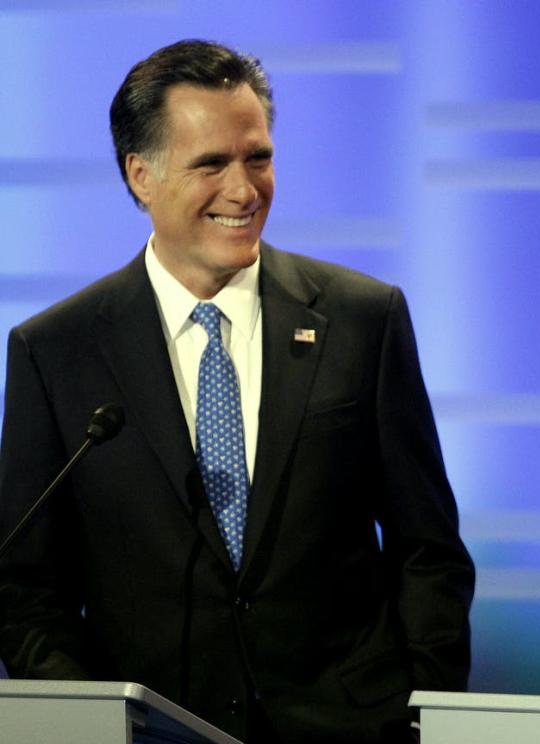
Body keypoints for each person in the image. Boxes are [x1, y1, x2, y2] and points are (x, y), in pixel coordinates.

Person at [0, 40, 474, 743]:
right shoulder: (54, 352)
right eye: (211, 164)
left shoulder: (361, 319)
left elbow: (427, 549)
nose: (244, 190)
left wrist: (417, 713)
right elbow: (24, 592)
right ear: (141, 177)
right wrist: (92, 724)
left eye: (258, 157)